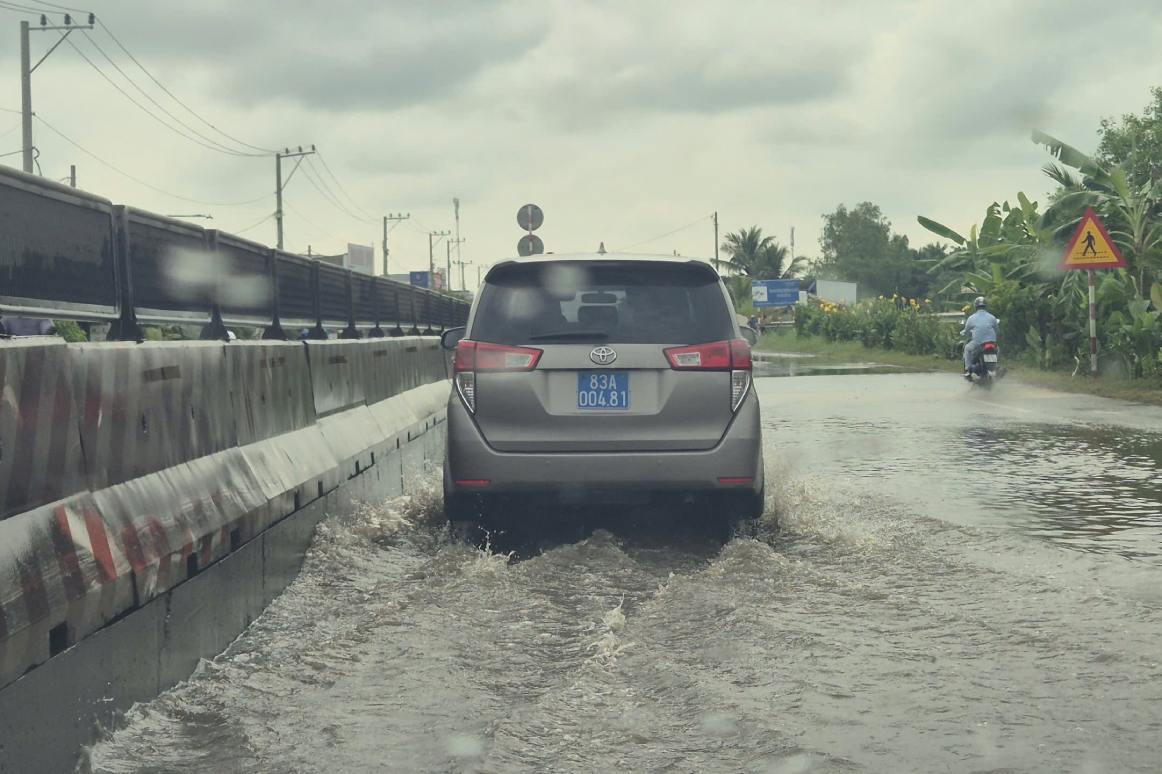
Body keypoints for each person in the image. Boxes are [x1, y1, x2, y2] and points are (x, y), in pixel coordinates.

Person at [961, 296, 999, 378]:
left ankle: (967, 370)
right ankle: (996, 366)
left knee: (967, 349)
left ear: (975, 306)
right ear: (985, 306)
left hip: (978, 342)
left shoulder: (971, 318)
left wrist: (967, 334)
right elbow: (997, 330)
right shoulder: (992, 317)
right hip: (992, 342)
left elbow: (966, 331)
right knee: (998, 349)